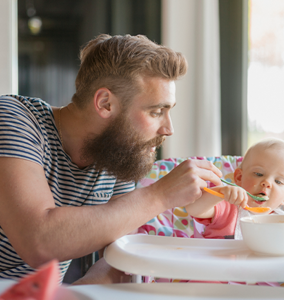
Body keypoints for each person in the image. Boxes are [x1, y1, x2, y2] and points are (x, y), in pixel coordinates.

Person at [0, 34, 223, 284]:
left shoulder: (115, 153)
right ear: (105, 103)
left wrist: (79, 293)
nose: (168, 129)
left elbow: (117, 256)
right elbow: (38, 241)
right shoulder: (13, 120)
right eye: (156, 111)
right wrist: (160, 195)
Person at [186, 138, 284, 241]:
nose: (267, 183)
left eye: (278, 181)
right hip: (218, 263)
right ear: (239, 177)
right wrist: (221, 193)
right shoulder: (227, 206)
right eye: (259, 174)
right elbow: (193, 208)